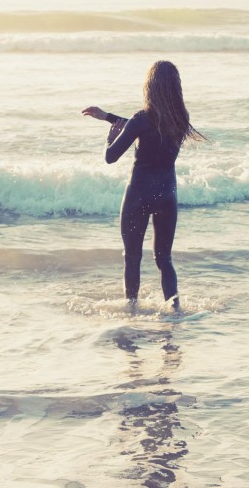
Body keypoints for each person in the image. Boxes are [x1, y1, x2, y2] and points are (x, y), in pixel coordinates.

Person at [82, 59, 204, 313]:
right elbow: (146, 127)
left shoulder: (142, 119)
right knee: (164, 259)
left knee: (133, 258)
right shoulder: (181, 118)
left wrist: (110, 137)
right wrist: (107, 117)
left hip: (138, 194)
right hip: (167, 195)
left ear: (150, 87)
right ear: (175, 88)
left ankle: (132, 309)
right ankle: (175, 309)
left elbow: (111, 157)